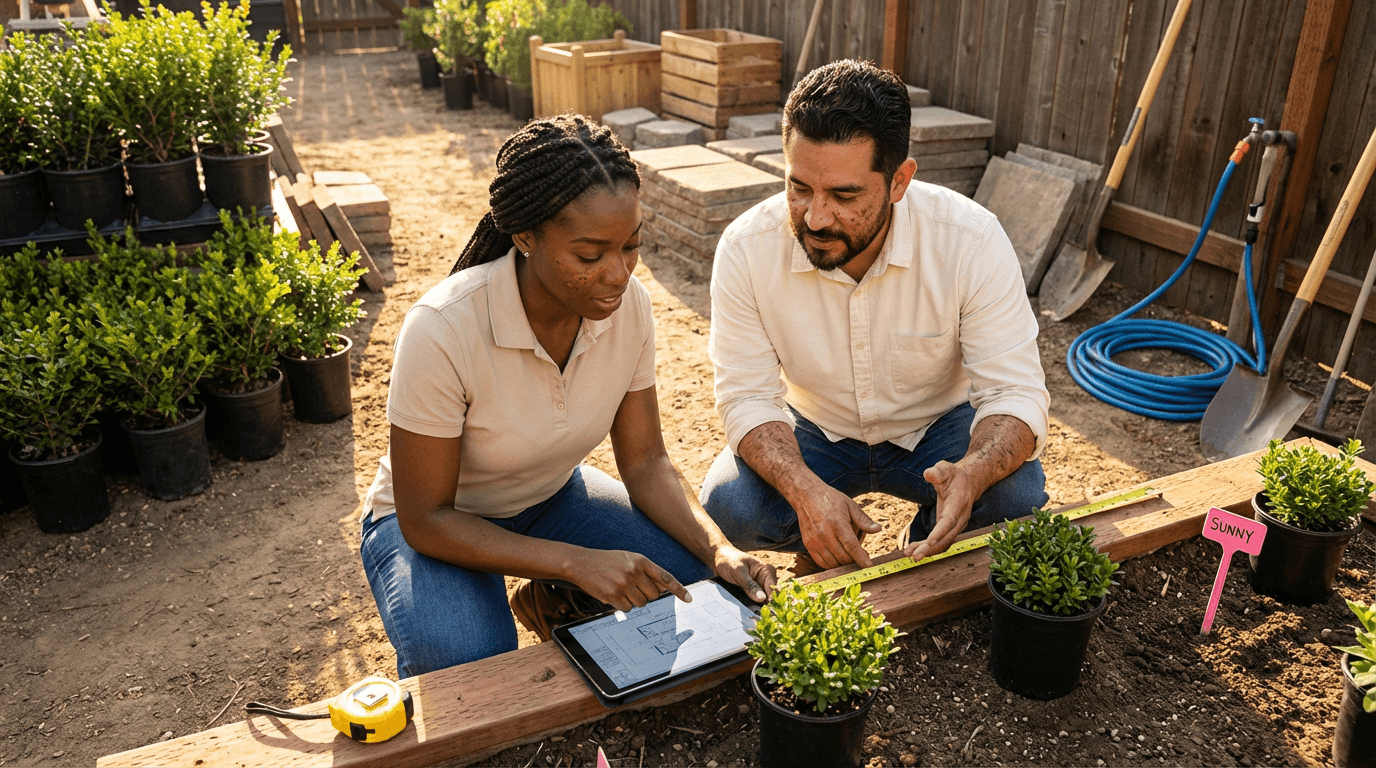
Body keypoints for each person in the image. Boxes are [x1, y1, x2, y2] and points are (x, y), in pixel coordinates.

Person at [360, 115, 776, 678]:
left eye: (631, 246)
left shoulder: (630, 310)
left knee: (699, 588)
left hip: (550, 496)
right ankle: (556, 587)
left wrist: (718, 548)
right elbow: (425, 518)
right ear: (525, 237)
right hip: (440, 523)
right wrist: (576, 562)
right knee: (469, 663)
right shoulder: (442, 328)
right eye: (590, 256)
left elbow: (645, 460)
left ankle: (552, 601)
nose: (619, 274)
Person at [700, 60, 1050, 575]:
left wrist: (972, 474)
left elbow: (1014, 392)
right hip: (816, 430)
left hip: (938, 430)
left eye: (845, 195)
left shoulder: (971, 240)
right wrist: (803, 490)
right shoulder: (745, 249)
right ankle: (823, 536)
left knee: (1016, 494)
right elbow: (746, 397)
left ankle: (931, 532)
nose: (816, 217)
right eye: (799, 187)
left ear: (899, 181)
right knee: (732, 505)